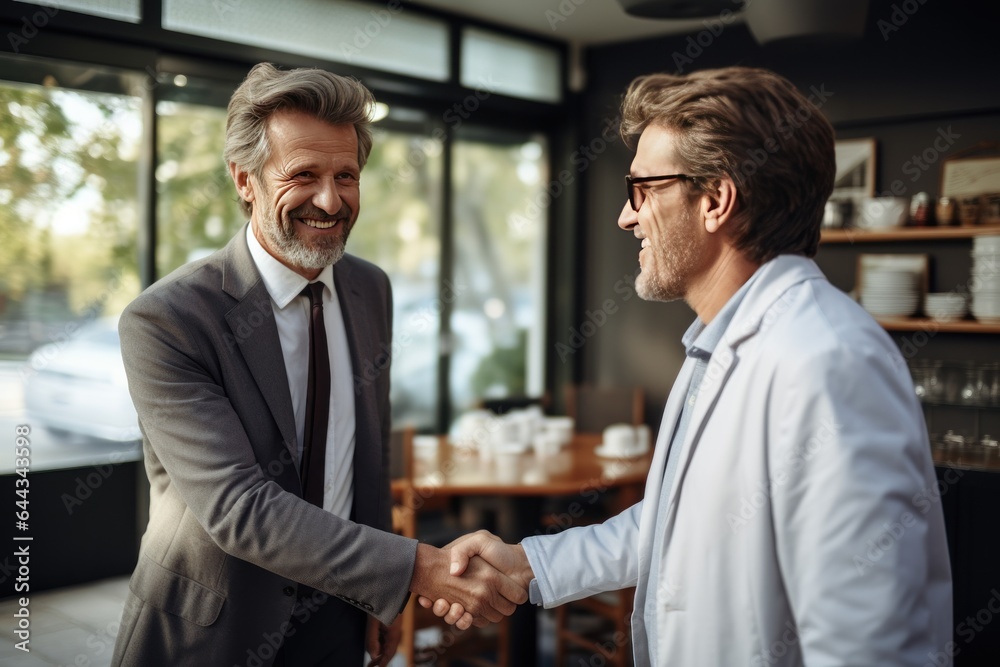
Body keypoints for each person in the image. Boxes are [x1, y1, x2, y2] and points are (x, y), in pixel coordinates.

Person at [422, 67, 953, 666]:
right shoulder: (722, 343)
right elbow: (679, 517)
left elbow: (872, 644)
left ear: (716, 200)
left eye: (644, 190)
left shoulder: (827, 361)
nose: (627, 217)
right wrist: (530, 565)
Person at [111, 62, 525, 667]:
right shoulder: (166, 319)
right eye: (303, 174)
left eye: (346, 175)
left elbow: (367, 454)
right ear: (245, 179)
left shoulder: (369, 289)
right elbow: (239, 507)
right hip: (213, 634)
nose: (330, 200)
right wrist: (421, 568)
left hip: (338, 617)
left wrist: (377, 599)